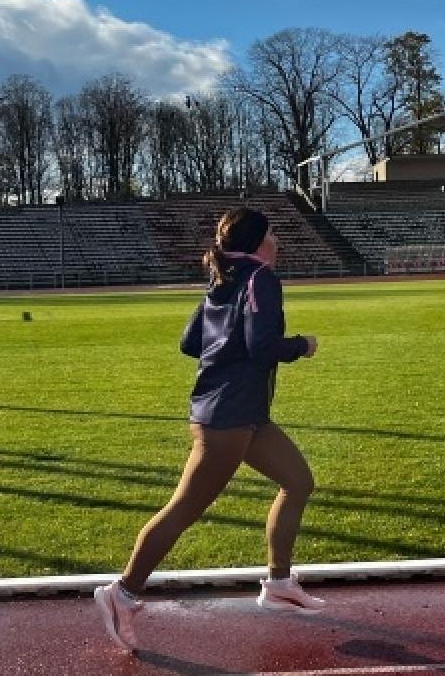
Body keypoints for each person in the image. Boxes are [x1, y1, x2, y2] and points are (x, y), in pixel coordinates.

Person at [95, 206, 322, 652]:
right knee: (185, 508)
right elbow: (261, 346)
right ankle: (121, 594)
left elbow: (189, 343)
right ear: (260, 243)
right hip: (227, 419)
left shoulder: (224, 277)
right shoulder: (260, 279)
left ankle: (278, 582)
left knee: (298, 481)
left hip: (244, 414)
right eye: (273, 233)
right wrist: (303, 346)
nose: (278, 241)